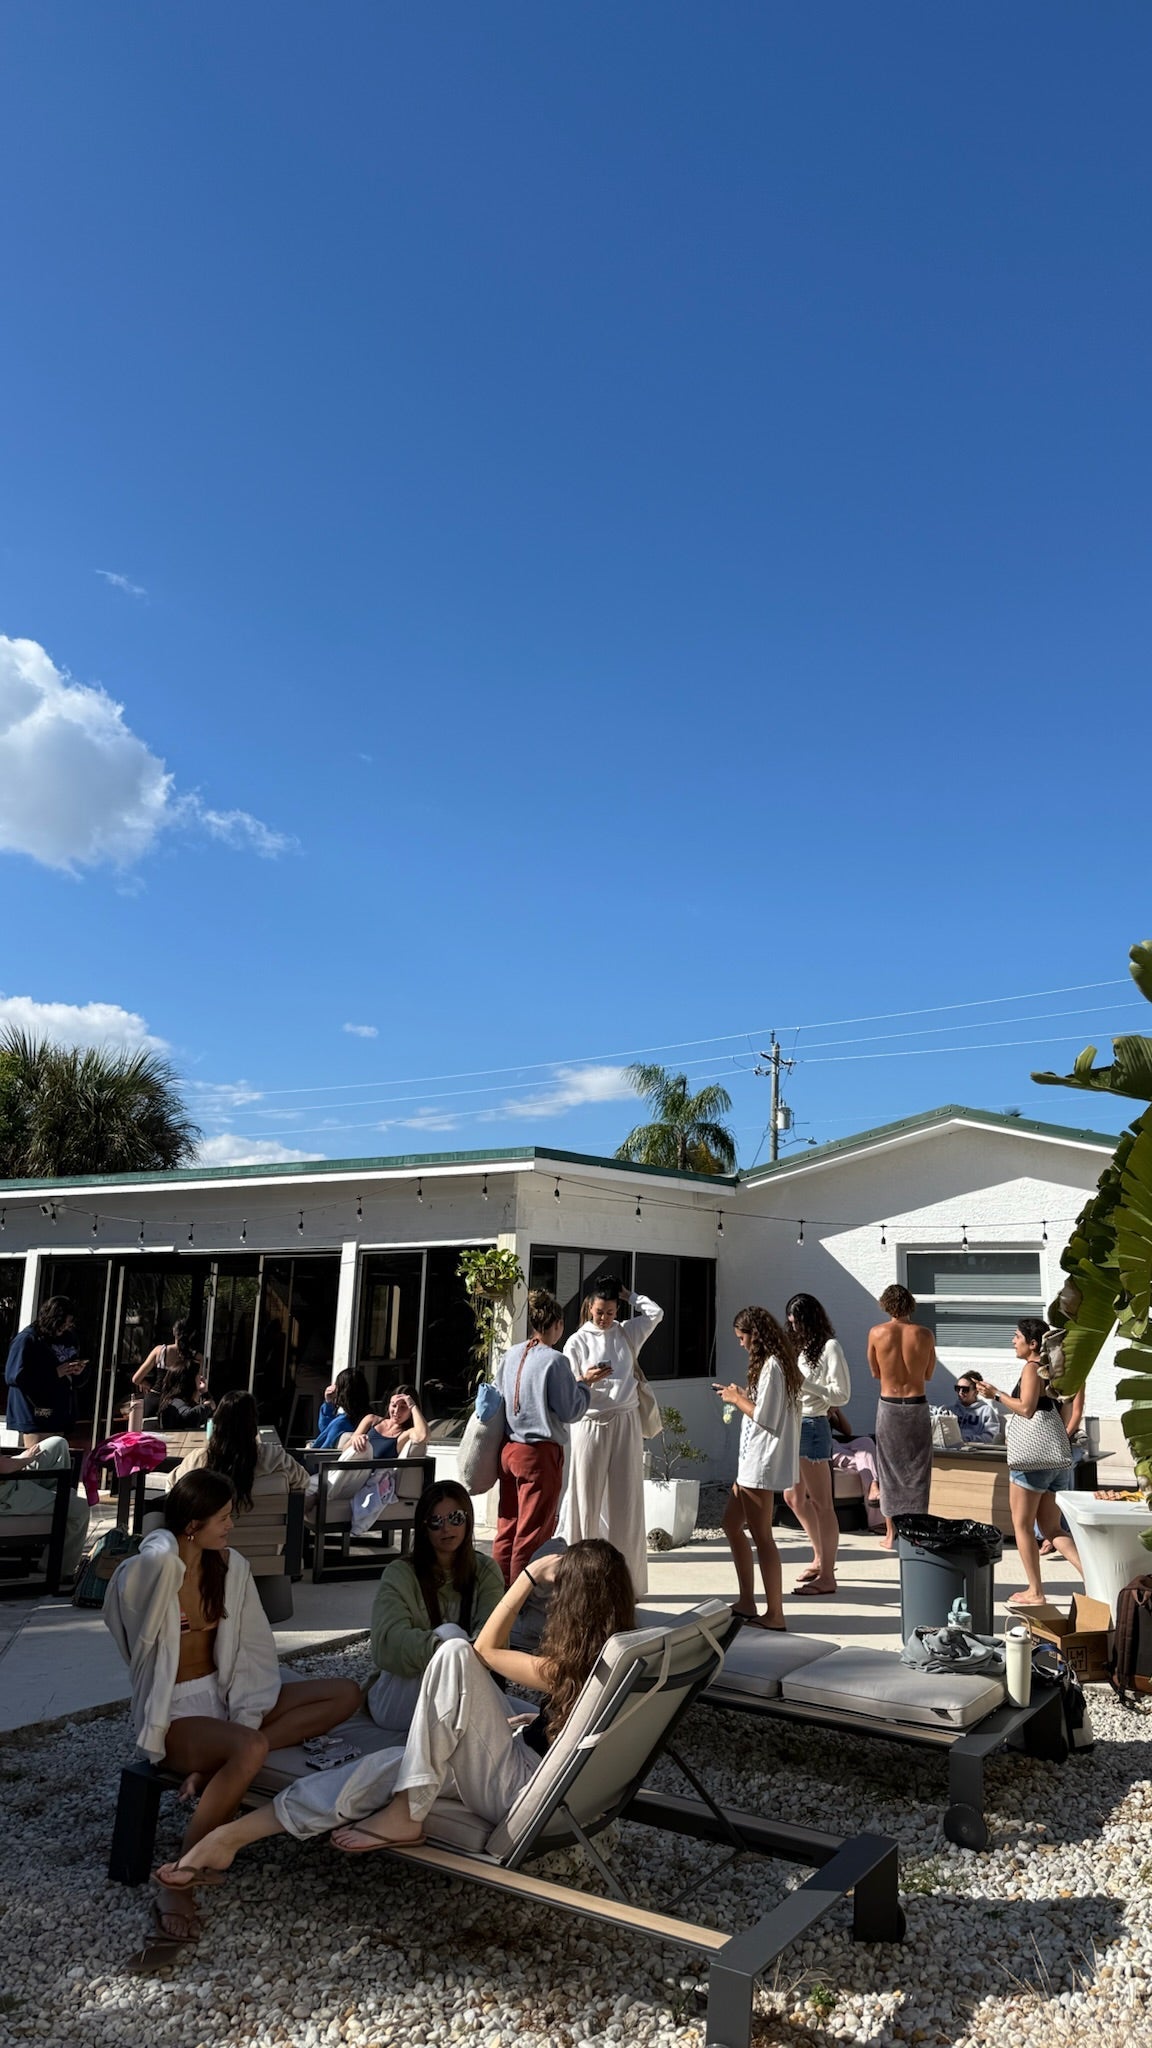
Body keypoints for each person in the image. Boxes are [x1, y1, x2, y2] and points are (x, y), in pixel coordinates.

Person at [153, 1538, 635, 1880]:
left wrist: (528, 1576)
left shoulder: (567, 1669)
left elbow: (484, 1648)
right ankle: (232, 1837)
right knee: (388, 1765)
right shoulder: (621, 1658)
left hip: (517, 1787)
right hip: (536, 1771)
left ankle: (406, 1811)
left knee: (451, 1651)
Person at [104, 1469, 362, 1944]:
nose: (231, 1526)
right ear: (191, 1525)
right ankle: (181, 1870)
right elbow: (145, 1569)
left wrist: (244, 1714)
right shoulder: (152, 1573)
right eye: (222, 1518)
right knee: (249, 1748)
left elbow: (254, 1649)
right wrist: (163, 1539)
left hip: (224, 1699)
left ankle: (221, 1763)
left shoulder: (229, 1566)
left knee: (345, 1692)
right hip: (177, 1715)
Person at [365, 1480, 506, 1729]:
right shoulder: (400, 1574)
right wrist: (447, 1653)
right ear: (423, 1527)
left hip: (464, 1693)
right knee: (451, 1636)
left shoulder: (485, 1571)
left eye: (455, 1518)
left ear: (468, 1520)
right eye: (435, 1521)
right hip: (402, 1697)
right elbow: (386, 1644)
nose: (446, 1528)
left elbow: (495, 1638)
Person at [493, 1289, 610, 1585]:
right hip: (538, 1454)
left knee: (507, 1526)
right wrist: (584, 1384)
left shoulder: (511, 1354)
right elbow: (571, 1410)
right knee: (532, 1533)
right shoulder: (554, 1361)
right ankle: (521, 1603)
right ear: (556, 1324)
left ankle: (496, 1593)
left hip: (508, 1449)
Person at [563, 1276, 663, 1596]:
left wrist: (630, 1294)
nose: (603, 1318)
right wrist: (585, 1378)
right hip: (589, 1423)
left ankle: (626, 1581)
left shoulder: (625, 1332)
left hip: (625, 1420)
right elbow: (565, 1390)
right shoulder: (577, 1342)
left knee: (627, 1500)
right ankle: (580, 1578)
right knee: (584, 1499)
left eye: (608, 1311)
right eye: (598, 1312)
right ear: (588, 1308)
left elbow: (655, 1314)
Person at [975, 1319, 1082, 1609]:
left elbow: (1026, 1408)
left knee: (1021, 1525)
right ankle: (1093, 1576)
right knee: (1052, 1529)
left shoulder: (1032, 1368)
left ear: (1033, 1343)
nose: (1013, 1341)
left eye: (1017, 1336)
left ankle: (1035, 1590)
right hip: (1055, 1458)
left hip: (1032, 1460)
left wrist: (995, 1394)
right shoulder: (1054, 1370)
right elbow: (1064, 1408)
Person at [714, 1307, 802, 1630]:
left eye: (742, 1338)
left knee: (763, 1536)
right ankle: (747, 1601)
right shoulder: (774, 1366)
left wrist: (736, 1399)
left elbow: (766, 1418)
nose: (740, 1344)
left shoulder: (774, 1367)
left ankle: (775, 1614)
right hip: (751, 1463)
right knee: (730, 1523)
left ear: (756, 1335)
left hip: (761, 1464)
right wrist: (740, 1395)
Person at [782, 1294, 852, 1596]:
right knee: (793, 1498)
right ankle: (821, 1558)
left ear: (809, 1320)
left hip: (813, 1425)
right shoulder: (800, 1347)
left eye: (796, 1322)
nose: (792, 1327)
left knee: (823, 1503)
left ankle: (827, 1576)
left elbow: (841, 1395)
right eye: (790, 1322)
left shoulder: (829, 1347)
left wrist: (804, 1383)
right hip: (794, 1424)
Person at [867, 1284, 936, 1550]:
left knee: (889, 1468)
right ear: (911, 1306)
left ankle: (890, 1533)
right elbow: (928, 1374)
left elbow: (875, 1371)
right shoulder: (925, 1334)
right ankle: (916, 1530)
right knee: (918, 1469)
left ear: (886, 1305)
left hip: (889, 1403)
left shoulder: (877, 1332)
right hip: (917, 1403)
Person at [167, 1390, 311, 1502]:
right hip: (266, 1536)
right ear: (253, 1424)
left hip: (209, 1538)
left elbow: (172, 1487)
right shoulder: (275, 1458)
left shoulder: (199, 1460)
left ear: (218, 1424)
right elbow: (303, 1481)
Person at [0, 1435, 90, 1579]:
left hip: (10, 1476)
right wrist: (25, 1460)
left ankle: (55, 1498)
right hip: (7, 1494)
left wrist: (16, 1460)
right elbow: (3, 1467)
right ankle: (60, 1571)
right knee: (80, 1508)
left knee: (57, 1444)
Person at [4, 1297, 87, 1445]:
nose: (65, 1328)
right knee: (39, 1460)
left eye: (69, 1324)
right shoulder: (27, 1339)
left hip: (60, 1411)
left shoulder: (68, 1338)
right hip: (35, 1413)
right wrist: (55, 1373)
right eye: (62, 1324)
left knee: (56, 1457)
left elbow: (74, 1369)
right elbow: (15, 1377)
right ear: (52, 1319)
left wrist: (77, 1371)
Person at [131, 1322, 213, 1431]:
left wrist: (146, 1384)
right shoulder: (197, 1358)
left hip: (154, 1400)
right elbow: (198, 1386)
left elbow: (136, 1379)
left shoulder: (160, 1351)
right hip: (179, 1405)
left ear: (174, 1333)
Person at [340, 1383, 429, 1460]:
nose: (396, 1411)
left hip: (374, 1478)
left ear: (411, 1411)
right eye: (394, 1405)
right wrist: (354, 1438)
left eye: (403, 1407)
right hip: (352, 1472)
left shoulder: (404, 1434)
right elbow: (345, 1451)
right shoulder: (371, 1420)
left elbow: (423, 1435)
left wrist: (413, 1406)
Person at [310, 1369, 372, 1449]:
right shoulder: (367, 1418)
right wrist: (328, 1403)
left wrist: (328, 1404)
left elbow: (324, 1437)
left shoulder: (341, 1422)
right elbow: (326, 1430)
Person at [951, 1374, 1000, 1445]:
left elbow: (991, 1437)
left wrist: (967, 1439)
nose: (960, 1392)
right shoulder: (950, 1410)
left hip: (974, 1452)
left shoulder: (986, 1411)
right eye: (957, 1388)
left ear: (976, 1391)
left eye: (965, 1389)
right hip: (950, 1451)